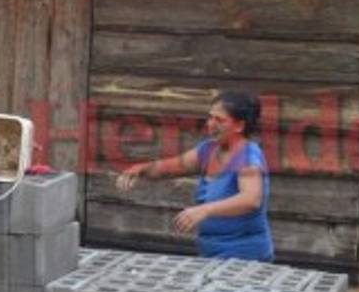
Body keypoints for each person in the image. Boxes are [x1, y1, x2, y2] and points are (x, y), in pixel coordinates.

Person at [115, 91, 273, 261]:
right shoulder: (208, 150)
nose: (210, 124)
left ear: (239, 126)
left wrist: (205, 209)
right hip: (211, 254)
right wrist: (140, 169)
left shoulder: (247, 157)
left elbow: (251, 199)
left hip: (246, 258)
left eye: (219, 120)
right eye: (210, 118)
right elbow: (168, 167)